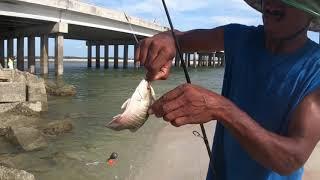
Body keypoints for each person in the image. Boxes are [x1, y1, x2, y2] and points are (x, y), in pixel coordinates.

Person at [135, 0, 320, 179]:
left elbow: (291, 159)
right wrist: (167, 41)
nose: (271, 3)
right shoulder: (240, 37)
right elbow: (179, 40)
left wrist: (220, 108)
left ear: (311, 12)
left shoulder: (315, 71)